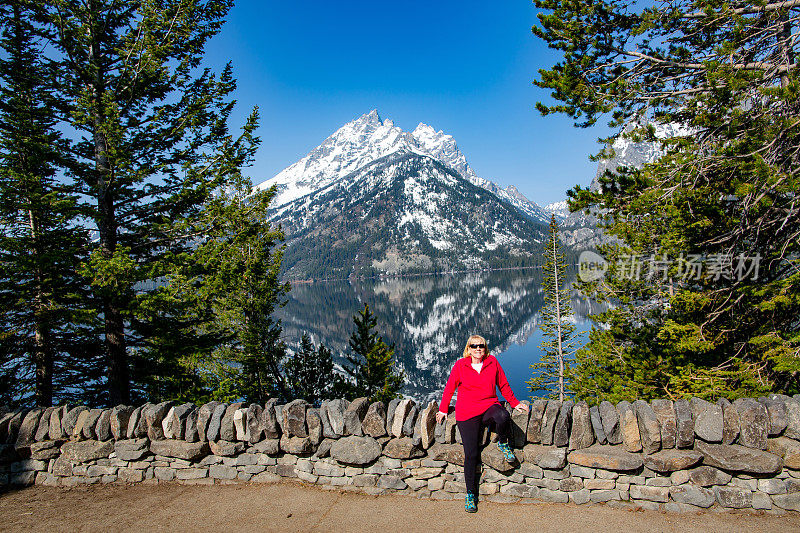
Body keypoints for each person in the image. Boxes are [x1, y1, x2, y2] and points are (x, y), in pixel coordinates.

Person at [436, 334, 529, 513]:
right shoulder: (460, 365)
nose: (478, 349)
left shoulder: (492, 362)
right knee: (471, 455)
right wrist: (442, 409)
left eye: (482, 346)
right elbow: (449, 388)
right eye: (474, 346)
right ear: (468, 349)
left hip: (488, 406)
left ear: (485, 348)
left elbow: (503, 385)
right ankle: (470, 494)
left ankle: (503, 442)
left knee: (503, 416)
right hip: (467, 412)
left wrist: (515, 403)